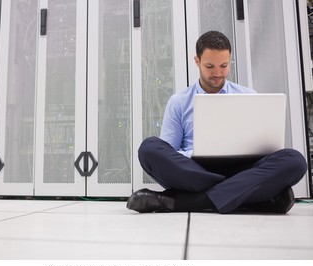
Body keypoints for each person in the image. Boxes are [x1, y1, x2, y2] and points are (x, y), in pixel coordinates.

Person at [127, 31, 307, 214]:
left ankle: (182, 202)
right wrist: (193, 154)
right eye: (210, 66)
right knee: (149, 148)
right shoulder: (179, 101)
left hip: (242, 169)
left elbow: (265, 149)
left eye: (224, 65)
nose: (218, 73)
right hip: (195, 170)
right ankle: (249, 196)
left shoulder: (248, 96)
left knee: (294, 160)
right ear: (197, 61)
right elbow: (168, 151)